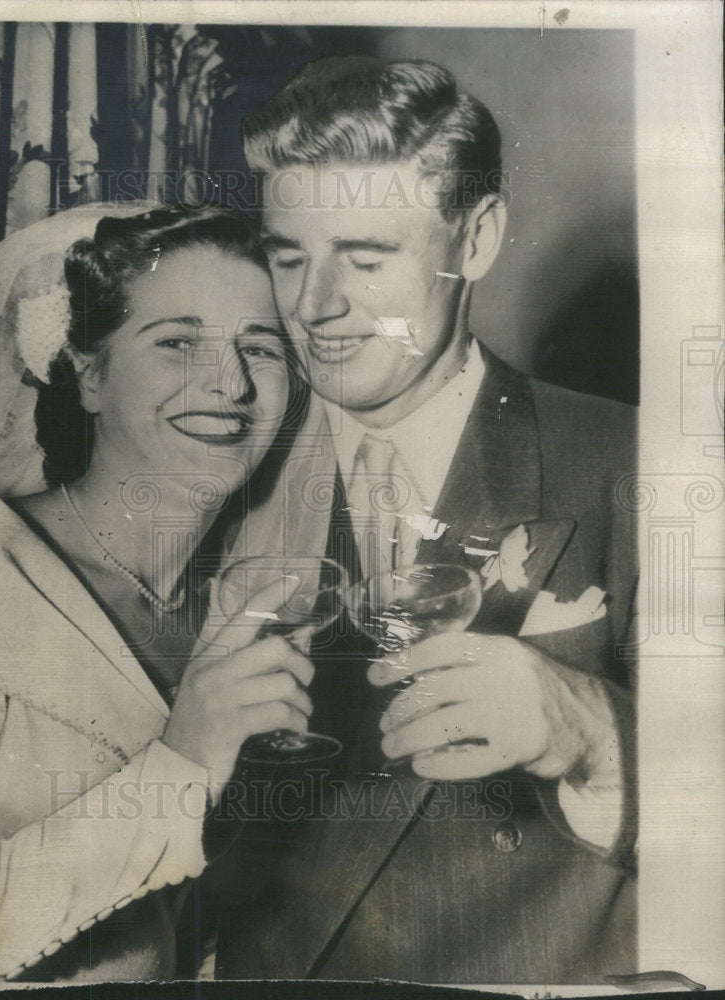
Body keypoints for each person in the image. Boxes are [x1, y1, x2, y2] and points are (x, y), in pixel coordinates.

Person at [211, 57, 638, 984]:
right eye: (288, 256)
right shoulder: (205, 464)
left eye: (365, 259)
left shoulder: (637, 465)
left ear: (477, 238)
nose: (314, 307)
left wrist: (595, 734)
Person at [0, 204, 326, 983]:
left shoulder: (239, 613)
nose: (232, 384)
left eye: (262, 346)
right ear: (87, 374)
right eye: (178, 342)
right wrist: (183, 765)